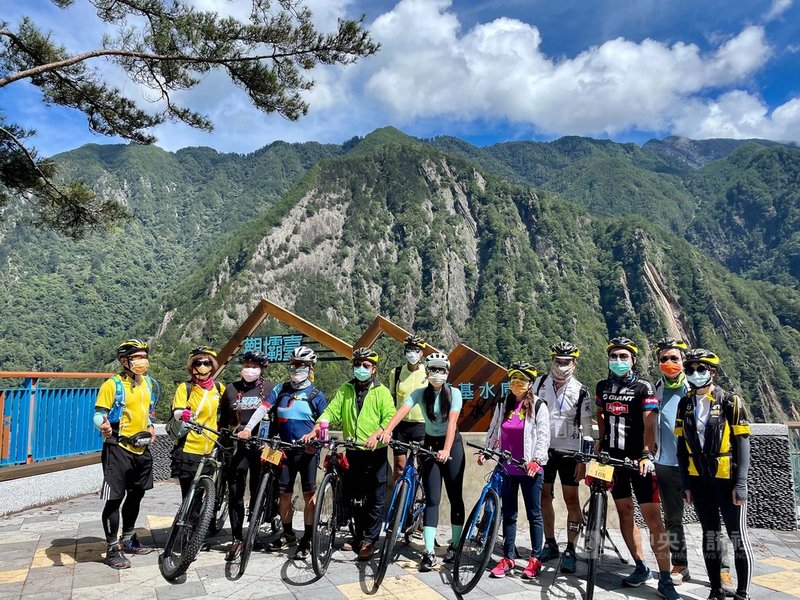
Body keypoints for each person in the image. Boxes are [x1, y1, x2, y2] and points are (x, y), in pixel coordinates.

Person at [596, 337, 682, 600]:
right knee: (624, 513)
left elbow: (649, 425)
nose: (619, 361)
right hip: (613, 461)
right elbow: (601, 419)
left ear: (633, 360)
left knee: (654, 519)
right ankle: (640, 566)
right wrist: (600, 450)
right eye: (614, 356)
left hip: (639, 462)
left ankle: (665, 578)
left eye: (624, 356)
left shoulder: (643, 387)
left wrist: (646, 454)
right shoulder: (602, 387)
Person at [373, 352, 465, 572]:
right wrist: (387, 431)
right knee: (432, 499)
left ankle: (454, 543)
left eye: (441, 370)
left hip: (452, 446)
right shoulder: (420, 393)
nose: (437, 374)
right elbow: (401, 411)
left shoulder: (454, 393)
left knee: (454, 495)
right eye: (433, 370)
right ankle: (429, 552)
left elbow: (452, 423)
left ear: (447, 372)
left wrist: (446, 449)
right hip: (430, 444)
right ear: (428, 372)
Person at [302, 347, 396, 561]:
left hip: (375, 453)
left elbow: (389, 418)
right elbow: (331, 411)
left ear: (374, 369)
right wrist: (317, 428)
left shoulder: (381, 392)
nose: (361, 369)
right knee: (355, 498)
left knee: (374, 498)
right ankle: (358, 536)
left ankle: (369, 540)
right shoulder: (346, 389)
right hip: (353, 451)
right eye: (357, 365)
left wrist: (377, 435)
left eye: (366, 365)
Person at [675, 349, 753, 600]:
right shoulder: (685, 403)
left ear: (713, 372)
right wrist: (685, 483)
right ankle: (715, 589)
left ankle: (742, 592)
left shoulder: (730, 400)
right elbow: (680, 447)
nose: (695, 374)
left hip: (726, 476)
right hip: (698, 477)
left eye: (701, 369)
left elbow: (742, 443)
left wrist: (740, 483)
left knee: (736, 535)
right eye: (690, 370)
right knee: (710, 533)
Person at [238, 345, 327, 559]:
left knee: (309, 495)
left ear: (311, 367)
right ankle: (288, 533)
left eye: (302, 365)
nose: (297, 369)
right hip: (282, 450)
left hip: (306, 451)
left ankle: (306, 538)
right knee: (283, 494)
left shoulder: (316, 394)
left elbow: (325, 420)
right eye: (294, 364)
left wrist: (314, 434)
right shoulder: (281, 389)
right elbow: (263, 408)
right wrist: (248, 428)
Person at [95, 339, 159, 569]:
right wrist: (102, 425)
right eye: (137, 358)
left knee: (136, 494)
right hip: (118, 448)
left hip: (141, 448)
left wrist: (151, 425)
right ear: (124, 361)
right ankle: (112, 548)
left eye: (144, 357)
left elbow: (148, 411)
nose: (142, 361)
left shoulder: (149, 383)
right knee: (114, 498)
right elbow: (99, 413)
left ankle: (129, 538)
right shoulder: (112, 385)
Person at [482, 362, 549, 580]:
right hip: (507, 468)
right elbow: (494, 429)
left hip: (529, 470)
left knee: (534, 514)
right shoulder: (504, 403)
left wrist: (536, 461)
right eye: (513, 379)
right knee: (509, 514)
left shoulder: (539, 405)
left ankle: (535, 559)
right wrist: (487, 450)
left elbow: (543, 437)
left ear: (530, 384)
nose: (517, 384)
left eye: (522, 380)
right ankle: (508, 557)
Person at [536, 341, 594, 573]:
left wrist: (584, 459)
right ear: (552, 361)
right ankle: (550, 543)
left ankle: (571, 547)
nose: (561, 366)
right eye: (558, 361)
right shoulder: (540, 383)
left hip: (570, 452)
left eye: (566, 362)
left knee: (572, 500)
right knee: (544, 497)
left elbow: (588, 429)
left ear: (574, 364)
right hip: (543, 451)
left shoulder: (581, 391)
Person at [218, 350, 274, 562]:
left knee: (259, 491)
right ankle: (236, 537)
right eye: (247, 364)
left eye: (255, 365)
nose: (250, 369)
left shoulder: (270, 389)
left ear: (262, 369)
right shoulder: (231, 389)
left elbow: (275, 419)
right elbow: (223, 421)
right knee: (235, 492)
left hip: (261, 448)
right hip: (236, 448)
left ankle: (254, 532)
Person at [169, 346, 225, 499]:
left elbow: (229, 407)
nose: (202, 366)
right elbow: (177, 412)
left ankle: (205, 522)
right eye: (197, 363)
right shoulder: (185, 388)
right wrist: (184, 414)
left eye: (207, 363)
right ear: (191, 366)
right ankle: (185, 521)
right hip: (188, 447)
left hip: (210, 447)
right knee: (188, 494)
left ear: (212, 366)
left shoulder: (219, 388)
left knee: (207, 496)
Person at [388, 335, 429, 482]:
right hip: (401, 427)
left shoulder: (428, 373)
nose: (412, 353)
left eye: (416, 350)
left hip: (422, 426)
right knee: (399, 468)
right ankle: (398, 502)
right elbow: (392, 398)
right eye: (409, 349)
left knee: (423, 467)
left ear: (422, 353)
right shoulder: (396, 373)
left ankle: (421, 500)